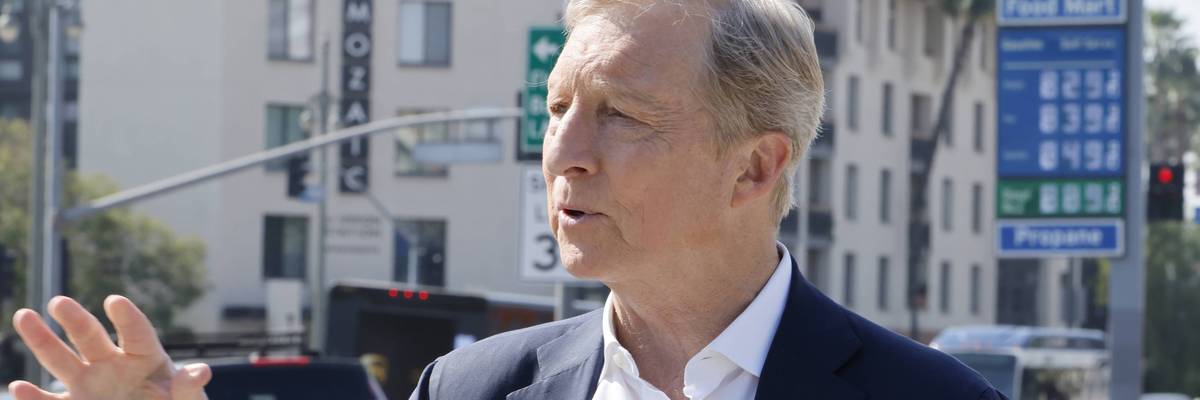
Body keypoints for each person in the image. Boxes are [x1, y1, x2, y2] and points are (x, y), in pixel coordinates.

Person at [9, 0, 1008, 399]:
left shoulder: (930, 398)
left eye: (620, 114)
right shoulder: (472, 387)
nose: (564, 152)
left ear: (755, 168)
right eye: (558, 107)